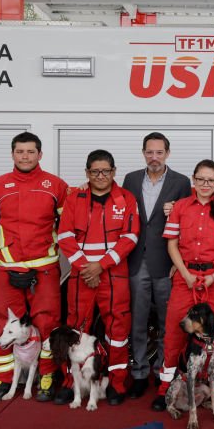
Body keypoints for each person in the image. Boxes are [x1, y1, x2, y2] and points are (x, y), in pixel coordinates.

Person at [0, 132, 69, 404]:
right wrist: (13, 250)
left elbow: (63, 224)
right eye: (20, 152)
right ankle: (2, 379)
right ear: (12, 154)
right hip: (7, 268)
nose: (25, 156)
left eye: (31, 152)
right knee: (5, 325)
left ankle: (46, 376)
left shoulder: (56, 186)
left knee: (47, 323)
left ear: (40, 155)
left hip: (44, 269)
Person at [153, 159, 214, 411]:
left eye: (211, 180)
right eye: (201, 179)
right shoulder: (181, 207)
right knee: (174, 331)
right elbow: (172, 244)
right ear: (193, 180)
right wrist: (185, 274)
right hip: (185, 278)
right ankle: (166, 387)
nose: (205, 184)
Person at [57, 149, 140, 405]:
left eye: (106, 171)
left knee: (118, 332)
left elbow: (130, 237)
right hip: (82, 276)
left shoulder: (127, 198)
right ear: (87, 173)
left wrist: (100, 266)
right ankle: (71, 383)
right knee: (75, 330)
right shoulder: (74, 199)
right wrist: (86, 267)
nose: (101, 176)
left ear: (114, 172)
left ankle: (116, 383)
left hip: (114, 276)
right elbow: (65, 236)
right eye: (95, 171)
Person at [122, 132, 192, 398]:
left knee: (168, 323)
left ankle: (165, 371)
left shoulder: (182, 182)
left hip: (166, 263)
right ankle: (139, 372)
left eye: (159, 152)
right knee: (138, 321)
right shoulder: (130, 179)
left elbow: (189, 221)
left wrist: (180, 260)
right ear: (143, 153)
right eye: (149, 152)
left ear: (168, 154)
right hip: (137, 260)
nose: (154, 157)